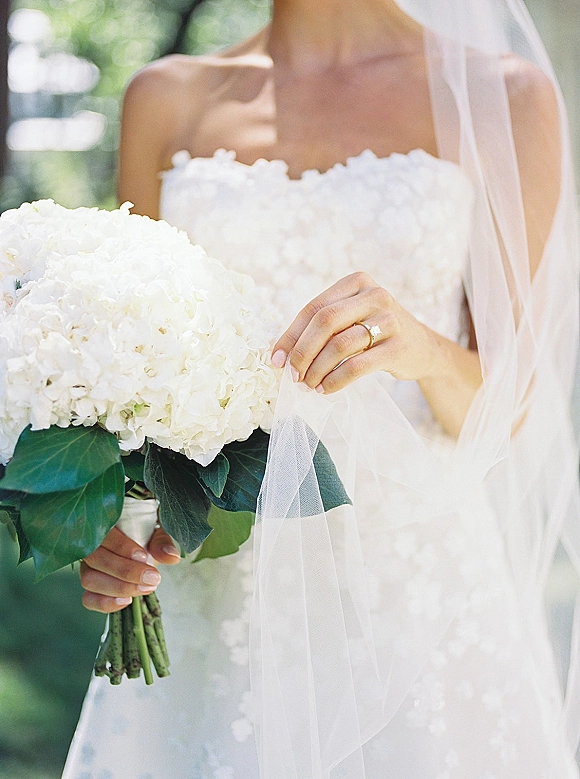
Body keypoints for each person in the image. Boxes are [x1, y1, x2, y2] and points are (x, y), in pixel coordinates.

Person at [62, 1, 580, 777]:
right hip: (216, 589)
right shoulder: (164, 97)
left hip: (416, 599)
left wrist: (424, 348)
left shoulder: (506, 95)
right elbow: (136, 378)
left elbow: (505, 410)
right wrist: (104, 523)